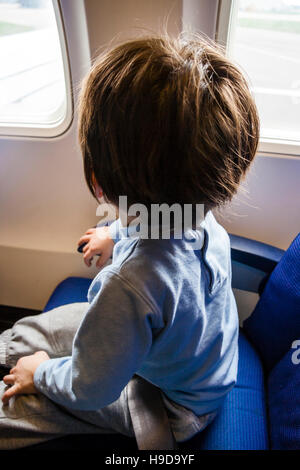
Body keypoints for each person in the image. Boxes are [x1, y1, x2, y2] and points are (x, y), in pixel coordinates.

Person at [0, 33, 259, 449]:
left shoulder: (127, 284)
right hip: (193, 361)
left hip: (169, 408)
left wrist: (42, 374)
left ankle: (25, 375)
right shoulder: (201, 217)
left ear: (98, 182)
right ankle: (17, 352)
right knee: (40, 330)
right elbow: (162, 227)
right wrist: (114, 232)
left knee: (20, 406)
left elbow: (91, 389)